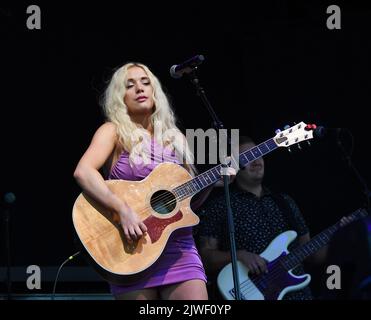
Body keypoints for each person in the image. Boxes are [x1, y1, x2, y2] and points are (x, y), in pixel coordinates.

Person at [73, 62, 208, 300]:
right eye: (130, 85)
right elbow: (83, 172)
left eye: (146, 83)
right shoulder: (112, 131)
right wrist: (122, 210)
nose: (139, 89)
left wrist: (217, 182)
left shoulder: (176, 138)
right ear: (120, 97)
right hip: (132, 249)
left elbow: (188, 205)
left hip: (179, 250)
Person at [197, 135, 317, 300]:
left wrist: (341, 236)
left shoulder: (285, 201)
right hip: (251, 292)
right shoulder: (220, 205)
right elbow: (205, 258)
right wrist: (238, 255)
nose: (255, 160)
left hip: (298, 294)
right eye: (246, 158)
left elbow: (309, 250)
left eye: (258, 154)